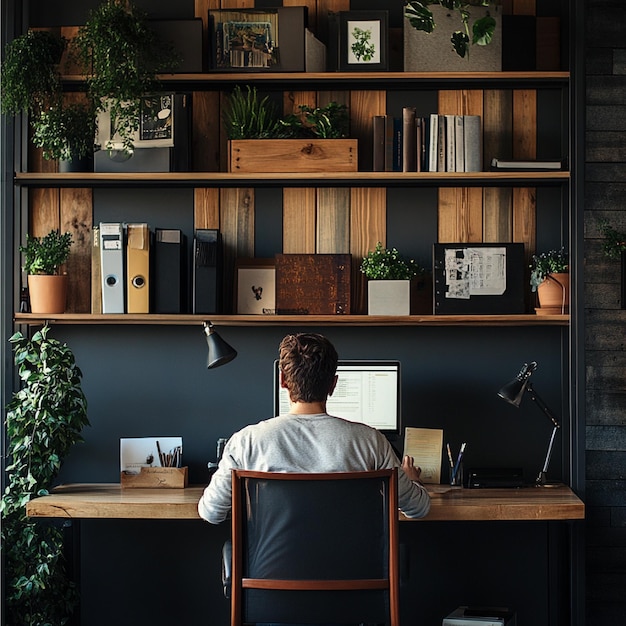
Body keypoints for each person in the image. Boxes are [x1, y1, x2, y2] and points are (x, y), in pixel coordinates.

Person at [198, 332, 430, 523]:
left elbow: (211, 513)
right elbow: (418, 509)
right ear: (333, 384)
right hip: (354, 576)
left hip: (269, 577)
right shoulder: (371, 442)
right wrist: (413, 481)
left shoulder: (245, 442)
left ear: (283, 381)